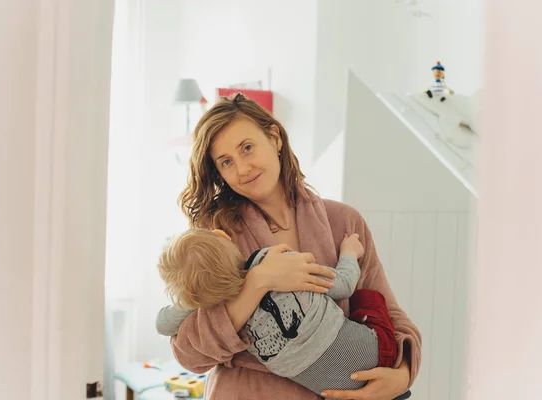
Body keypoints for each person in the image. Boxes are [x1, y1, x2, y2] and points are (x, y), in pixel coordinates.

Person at [170, 93, 421, 400]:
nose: (242, 168)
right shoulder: (217, 236)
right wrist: (257, 282)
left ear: (274, 137)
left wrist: (402, 375)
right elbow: (189, 354)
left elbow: (391, 313)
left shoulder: (343, 221)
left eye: (247, 148)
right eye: (226, 162)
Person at [155, 227, 400, 396]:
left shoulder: (223, 316)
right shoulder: (276, 260)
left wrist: (194, 300)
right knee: (370, 298)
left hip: (335, 390)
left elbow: (162, 324)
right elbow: (344, 284)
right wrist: (349, 252)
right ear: (222, 236)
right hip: (377, 356)